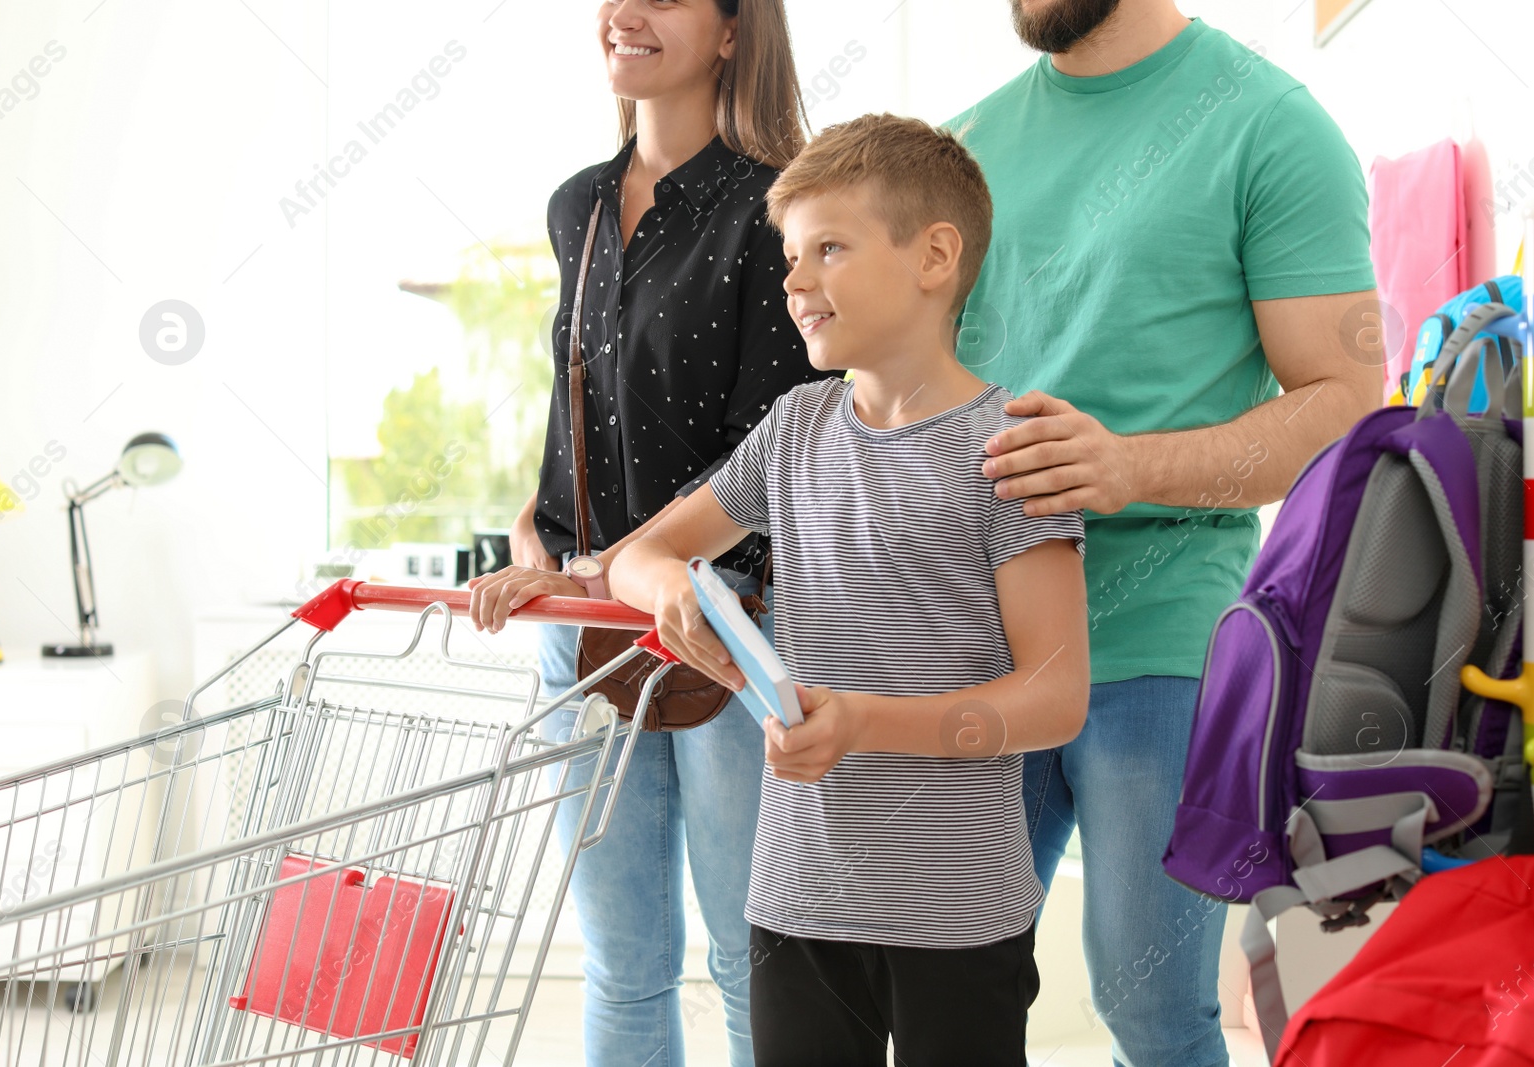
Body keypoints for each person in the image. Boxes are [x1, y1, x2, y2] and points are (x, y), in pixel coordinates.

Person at [608, 113, 1092, 1067]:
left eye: (828, 247)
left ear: (935, 257)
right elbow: (639, 552)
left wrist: (863, 722)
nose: (792, 281)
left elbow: (1055, 695)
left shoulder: (1012, 452)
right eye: (790, 255)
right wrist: (668, 584)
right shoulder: (796, 428)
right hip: (796, 900)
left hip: (957, 912)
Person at [949, 2, 1383, 1064]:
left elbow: (1343, 400)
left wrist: (1129, 465)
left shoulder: (1271, 125)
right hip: (974, 640)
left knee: (1150, 1009)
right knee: (949, 989)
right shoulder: (960, 147)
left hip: (1162, 635)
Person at [467, 2, 826, 1064]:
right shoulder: (575, 204)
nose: (625, 12)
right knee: (621, 960)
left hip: (729, 623)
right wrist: (538, 542)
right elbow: (573, 405)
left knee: (746, 953)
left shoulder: (784, 203)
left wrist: (626, 562)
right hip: (580, 622)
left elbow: (769, 442)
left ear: (730, 32)